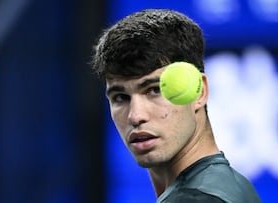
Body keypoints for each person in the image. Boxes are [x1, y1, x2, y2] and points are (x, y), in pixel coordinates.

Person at [91, 9, 261, 203]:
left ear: (199, 92)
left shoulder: (196, 199)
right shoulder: (232, 185)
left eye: (155, 90)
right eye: (120, 97)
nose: (135, 116)